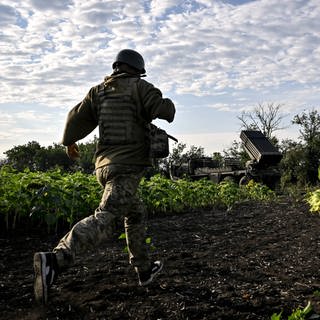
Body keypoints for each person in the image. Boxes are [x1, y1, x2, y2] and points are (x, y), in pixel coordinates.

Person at [33, 49, 176, 304]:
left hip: (103, 166)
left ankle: (144, 269)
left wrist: (69, 142)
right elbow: (164, 111)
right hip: (127, 167)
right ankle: (55, 260)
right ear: (137, 69)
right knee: (107, 218)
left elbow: (75, 118)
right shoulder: (140, 87)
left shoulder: (97, 91)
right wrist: (167, 105)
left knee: (135, 213)